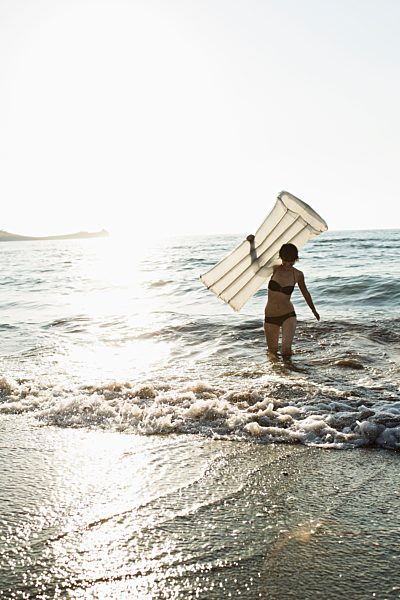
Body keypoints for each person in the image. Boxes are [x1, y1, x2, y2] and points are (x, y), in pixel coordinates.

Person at [262, 242, 320, 356]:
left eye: (291, 261)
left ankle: (292, 372)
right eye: (285, 261)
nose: (288, 264)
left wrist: (314, 310)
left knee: (286, 351)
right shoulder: (274, 269)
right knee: (272, 352)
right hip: (270, 316)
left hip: (288, 315)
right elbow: (255, 266)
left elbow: (305, 293)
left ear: (296, 259)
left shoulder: (298, 274)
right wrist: (251, 244)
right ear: (281, 258)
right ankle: (279, 373)